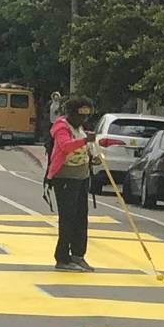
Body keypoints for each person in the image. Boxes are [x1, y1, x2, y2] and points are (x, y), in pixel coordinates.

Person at [44, 98, 97, 271]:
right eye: (80, 115)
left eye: (86, 116)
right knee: (68, 218)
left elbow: (84, 147)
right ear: (71, 113)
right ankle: (62, 258)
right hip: (65, 178)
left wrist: (92, 150)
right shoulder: (61, 127)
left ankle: (78, 255)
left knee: (81, 217)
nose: (83, 119)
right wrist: (84, 141)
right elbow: (65, 146)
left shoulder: (79, 128)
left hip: (82, 177)